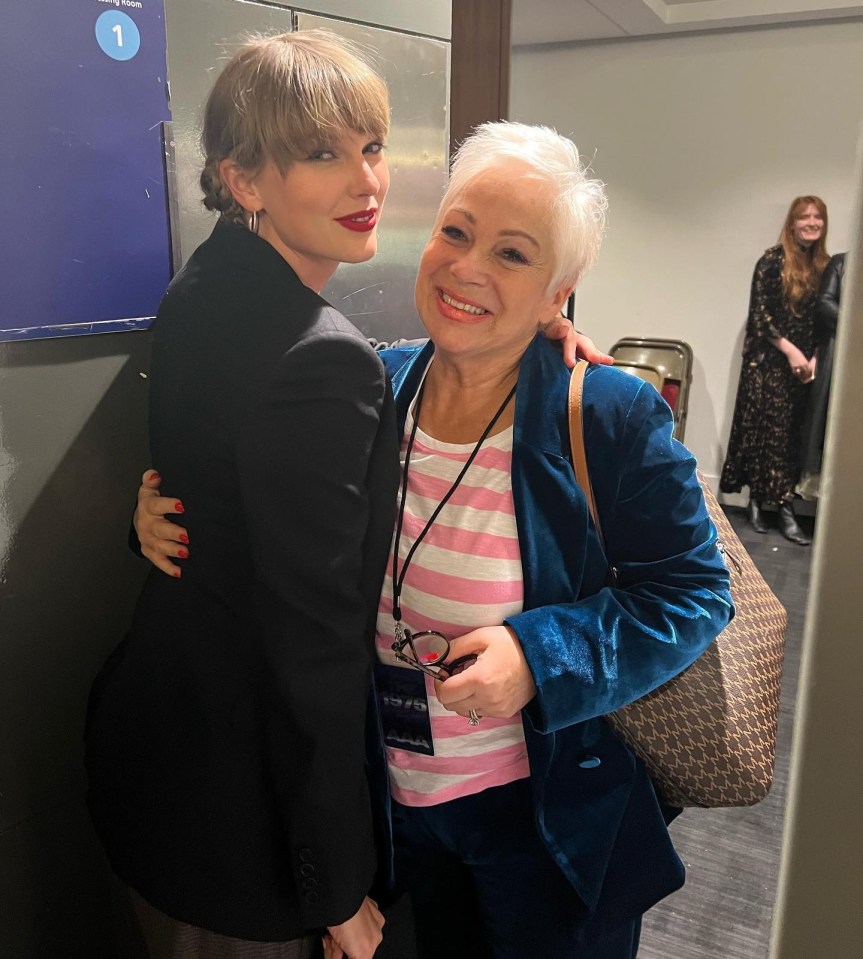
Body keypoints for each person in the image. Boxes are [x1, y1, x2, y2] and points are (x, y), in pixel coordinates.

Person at [135, 121, 734, 958]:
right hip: (388, 812)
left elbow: (696, 592)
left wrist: (539, 657)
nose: (467, 268)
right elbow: (275, 529)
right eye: (456, 231)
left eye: (513, 255)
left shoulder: (605, 416)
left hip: (538, 823)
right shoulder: (371, 381)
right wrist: (155, 514)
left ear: (558, 289)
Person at [84, 34, 603, 959]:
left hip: (157, 762)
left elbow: (219, 481)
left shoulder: (204, 287)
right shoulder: (324, 360)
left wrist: (541, 319)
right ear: (244, 181)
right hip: (247, 830)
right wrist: (335, 884)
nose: (365, 180)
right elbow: (311, 647)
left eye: (369, 146)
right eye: (322, 153)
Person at [720, 196, 830, 544]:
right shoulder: (771, 261)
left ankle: (777, 504)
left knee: (792, 438)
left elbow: (826, 319)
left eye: (818, 217)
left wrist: (813, 358)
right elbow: (760, 316)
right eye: (804, 217)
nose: (811, 223)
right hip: (768, 363)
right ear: (792, 223)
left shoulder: (826, 267)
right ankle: (766, 505)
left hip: (805, 369)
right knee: (765, 433)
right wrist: (791, 351)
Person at [797, 251, 847, 500]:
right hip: (840, 354)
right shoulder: (842, 263)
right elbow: (825, 304)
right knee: (828, 426)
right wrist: (855, 323)